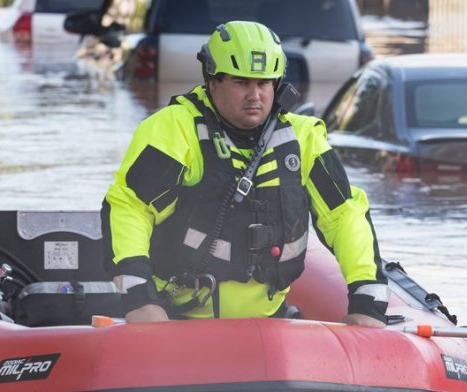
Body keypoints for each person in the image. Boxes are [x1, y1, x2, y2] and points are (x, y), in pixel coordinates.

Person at [100, 20, 388, 327]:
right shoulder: (175, 129)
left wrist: (367, 301)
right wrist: (140, 300)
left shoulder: (303, 138)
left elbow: (343, 216)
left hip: (270, 326)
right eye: (241, 83)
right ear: (212, 81)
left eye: (264, 84)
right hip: (178, 321)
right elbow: (130, 208)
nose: (255, 96)